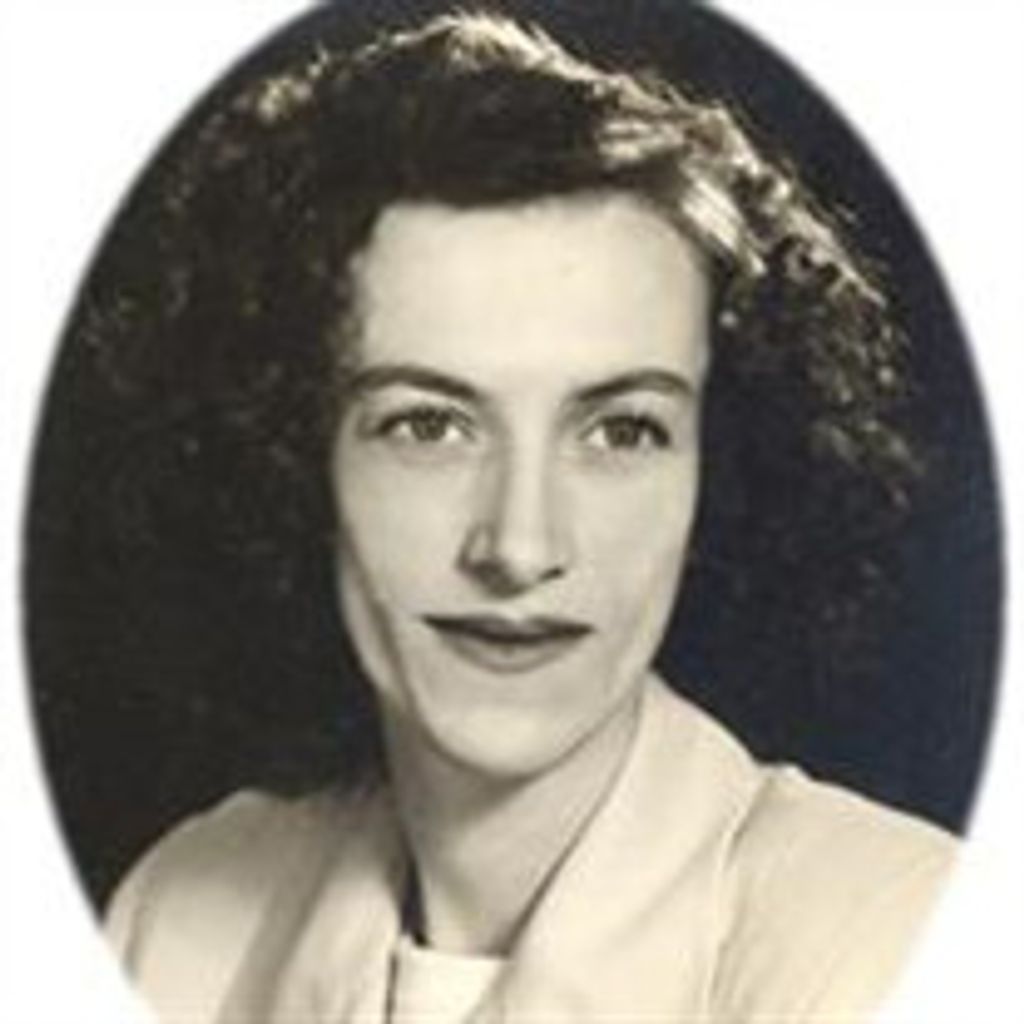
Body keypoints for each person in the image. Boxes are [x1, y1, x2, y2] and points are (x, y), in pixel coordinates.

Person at [90, 8, 957, 1023]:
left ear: (714, 473)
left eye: (621, 431)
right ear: (293, 453)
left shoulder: (901, 939)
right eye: (427, 425)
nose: (519, 546)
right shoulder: (177, 930)